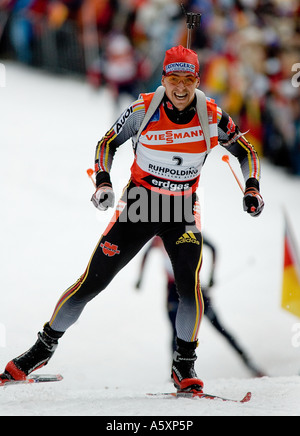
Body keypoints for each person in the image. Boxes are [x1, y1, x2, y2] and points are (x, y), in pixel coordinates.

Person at [0, 45, 264, 393]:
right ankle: (41, 349)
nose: (181, 88)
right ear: (164, 79)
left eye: (188, 80)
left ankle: (184, 364)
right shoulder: (144, 109)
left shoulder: (211, 114)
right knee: (91, 283)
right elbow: (108, 142)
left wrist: (252, 188)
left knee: (189, 287)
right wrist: (103, 181)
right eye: (174, 79)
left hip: (182, 210)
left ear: (197, 80)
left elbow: (244, 150)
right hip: (140, 205)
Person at [135, 236, 265, 377]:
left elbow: (213, 248)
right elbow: (146, 253)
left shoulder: (188, 231)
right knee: (176, 332)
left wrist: (211, 276)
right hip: (177, 290)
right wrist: (140, 279)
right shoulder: (162, 235)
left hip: (193, 289)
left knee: (218, 327)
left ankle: (249, 363)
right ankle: (175, 373)